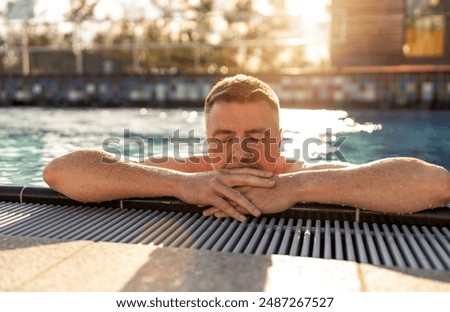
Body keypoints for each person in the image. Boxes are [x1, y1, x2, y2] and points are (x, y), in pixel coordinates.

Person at [43, 74, 450, 222]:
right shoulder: (184, 174)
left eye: (255, 137)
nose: (239, 151)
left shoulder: (302, 176)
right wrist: (182, 187)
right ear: (206, 141)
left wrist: (293, 191)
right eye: (223, 139)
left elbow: (434, 184)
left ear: (278, 138)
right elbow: (61, 172)